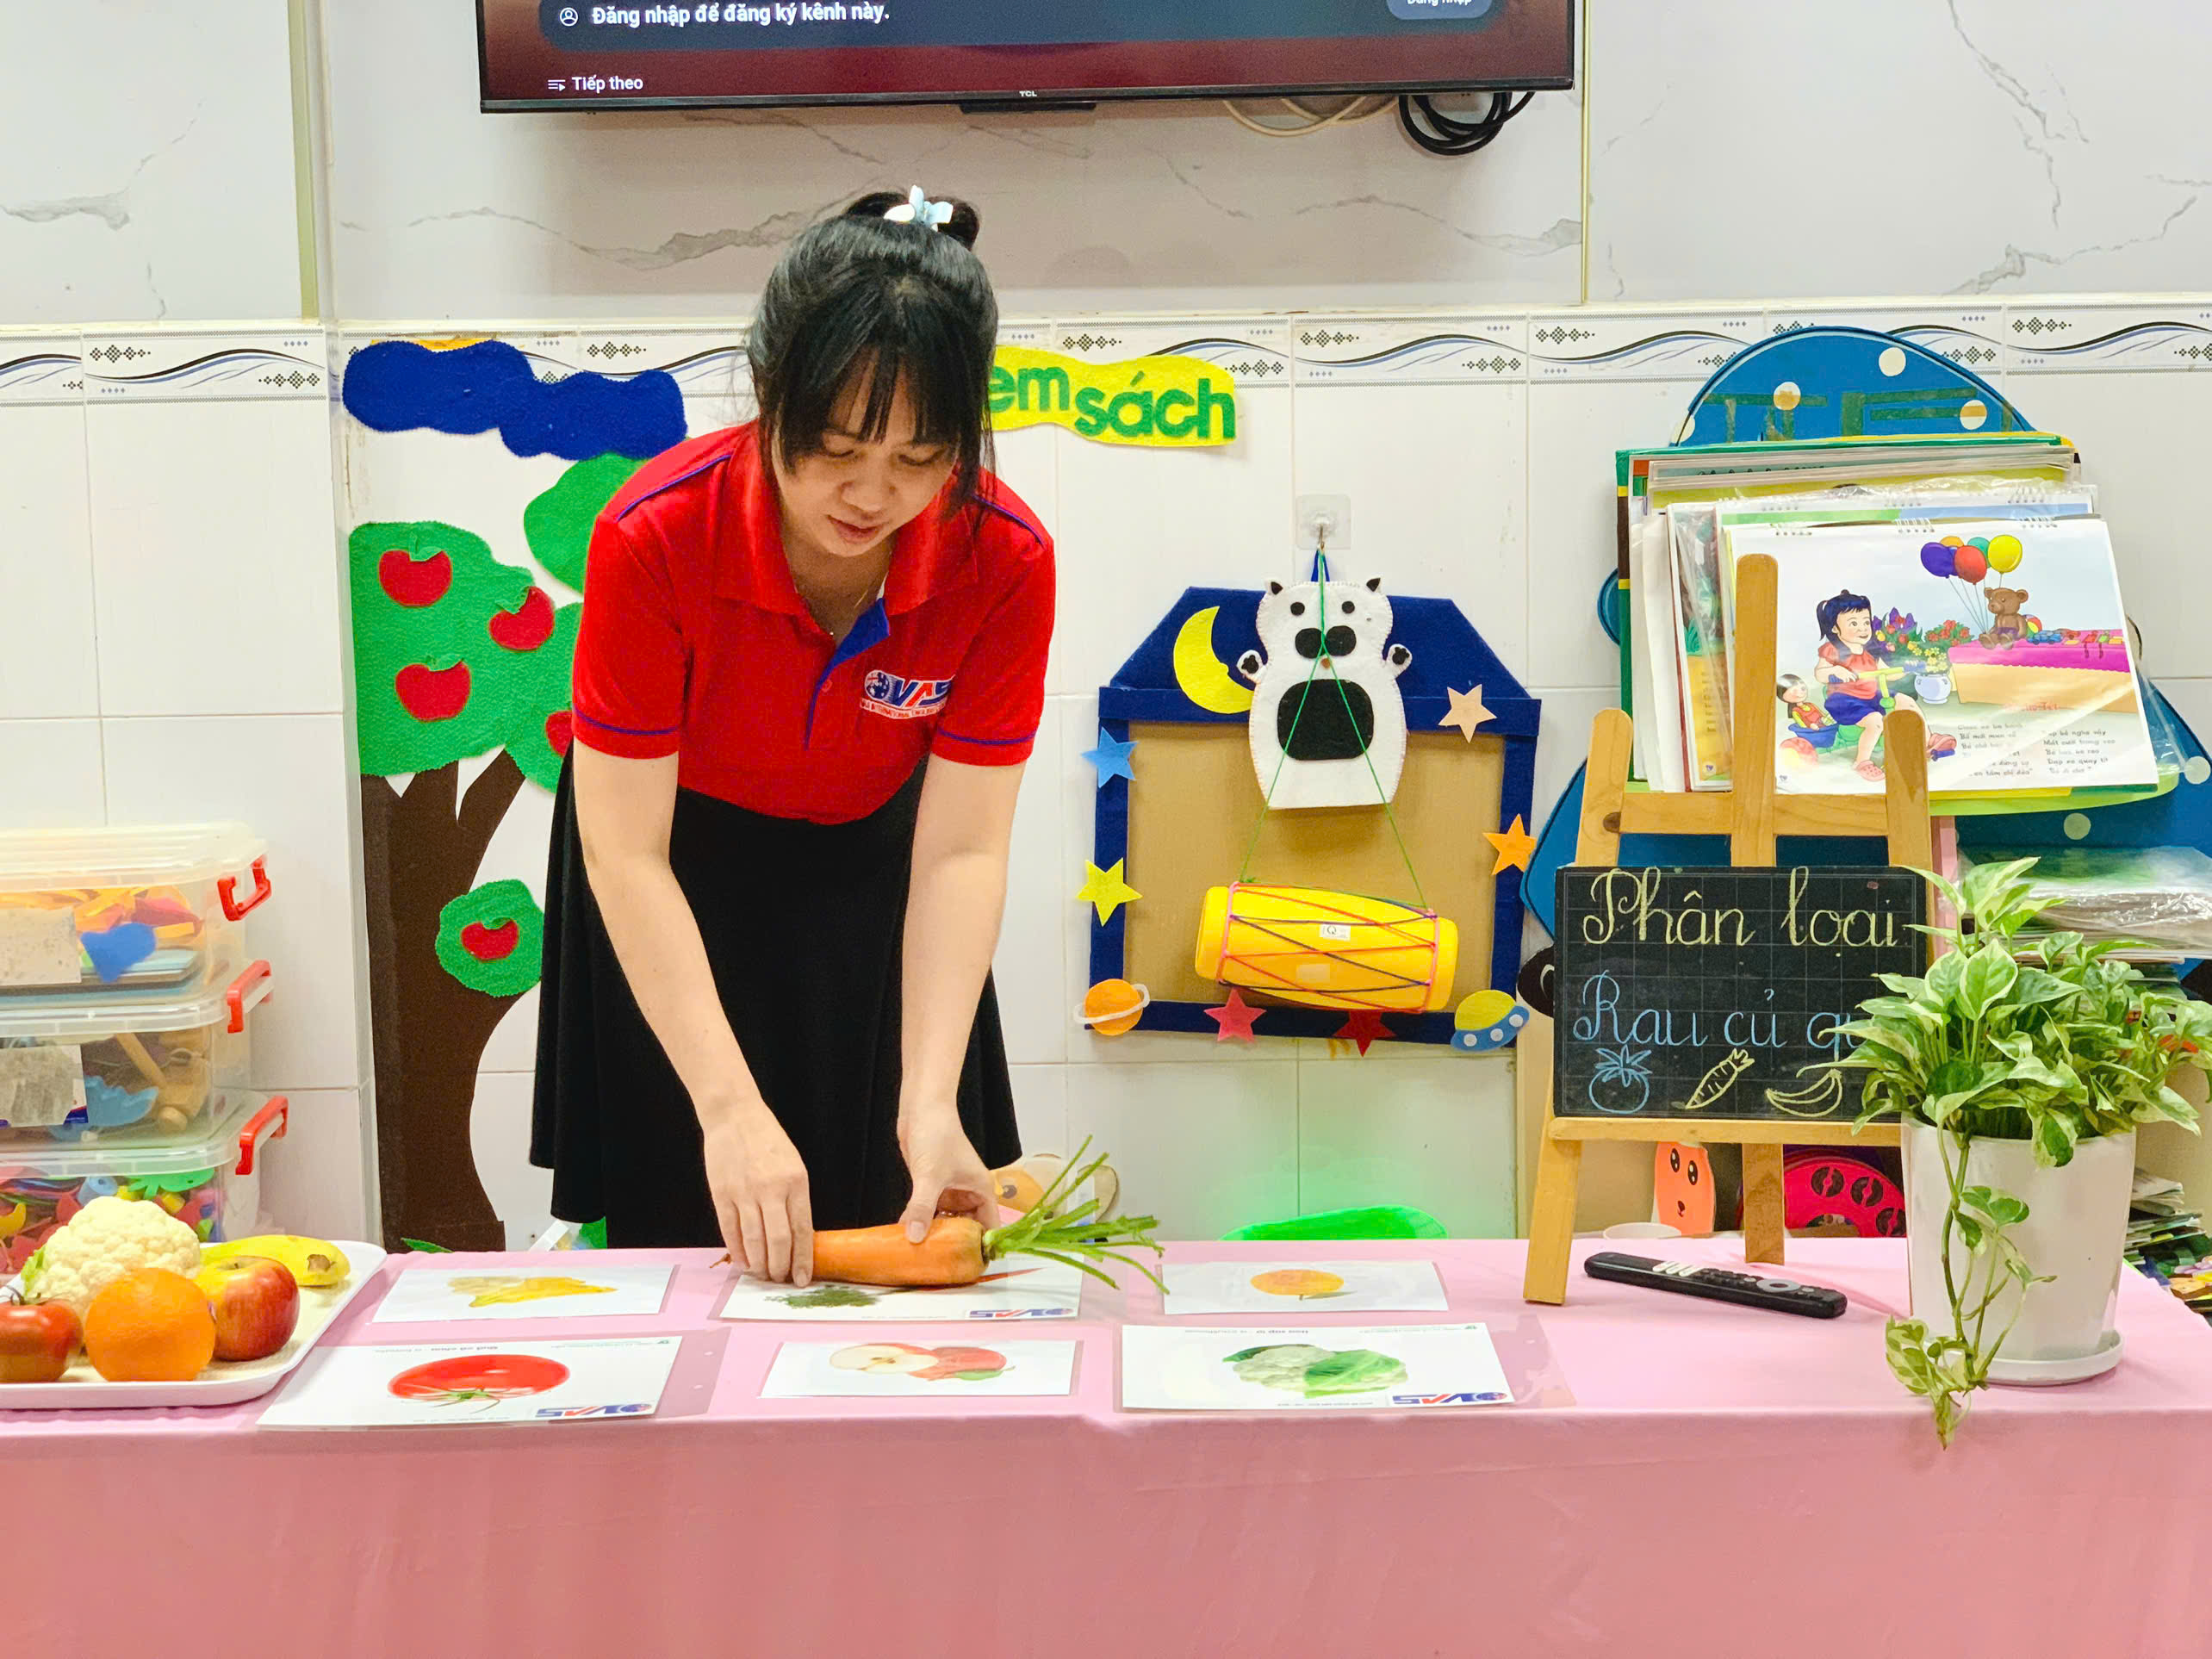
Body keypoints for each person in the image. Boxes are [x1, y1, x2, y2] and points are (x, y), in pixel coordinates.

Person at [531, 187, 1051, 1287]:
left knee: (902, 1210)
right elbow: (624, 849)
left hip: (878, 868)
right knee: (695, 1220)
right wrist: (727, 1109)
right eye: (835, 448)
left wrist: (930, 1098)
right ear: (771, 394)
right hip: (677, 866)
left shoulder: (1003, 558)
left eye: (921, 458)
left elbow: (961, 851)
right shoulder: (655, 534)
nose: (872, 495)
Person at [1810, 590, 1954, 781]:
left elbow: (1888, 673)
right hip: (1844, 701)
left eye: (1865, 622)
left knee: (1906, 701)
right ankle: (1862, 761)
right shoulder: (1833, 650)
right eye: (1854, 624)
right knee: (1876, 720)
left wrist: (1907, 668)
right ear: (1835, 629)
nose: (1863, 628)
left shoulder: (1870, 650)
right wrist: (1836, 671)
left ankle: (1928, 740)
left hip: (1872, 696)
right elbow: (1820, 673)